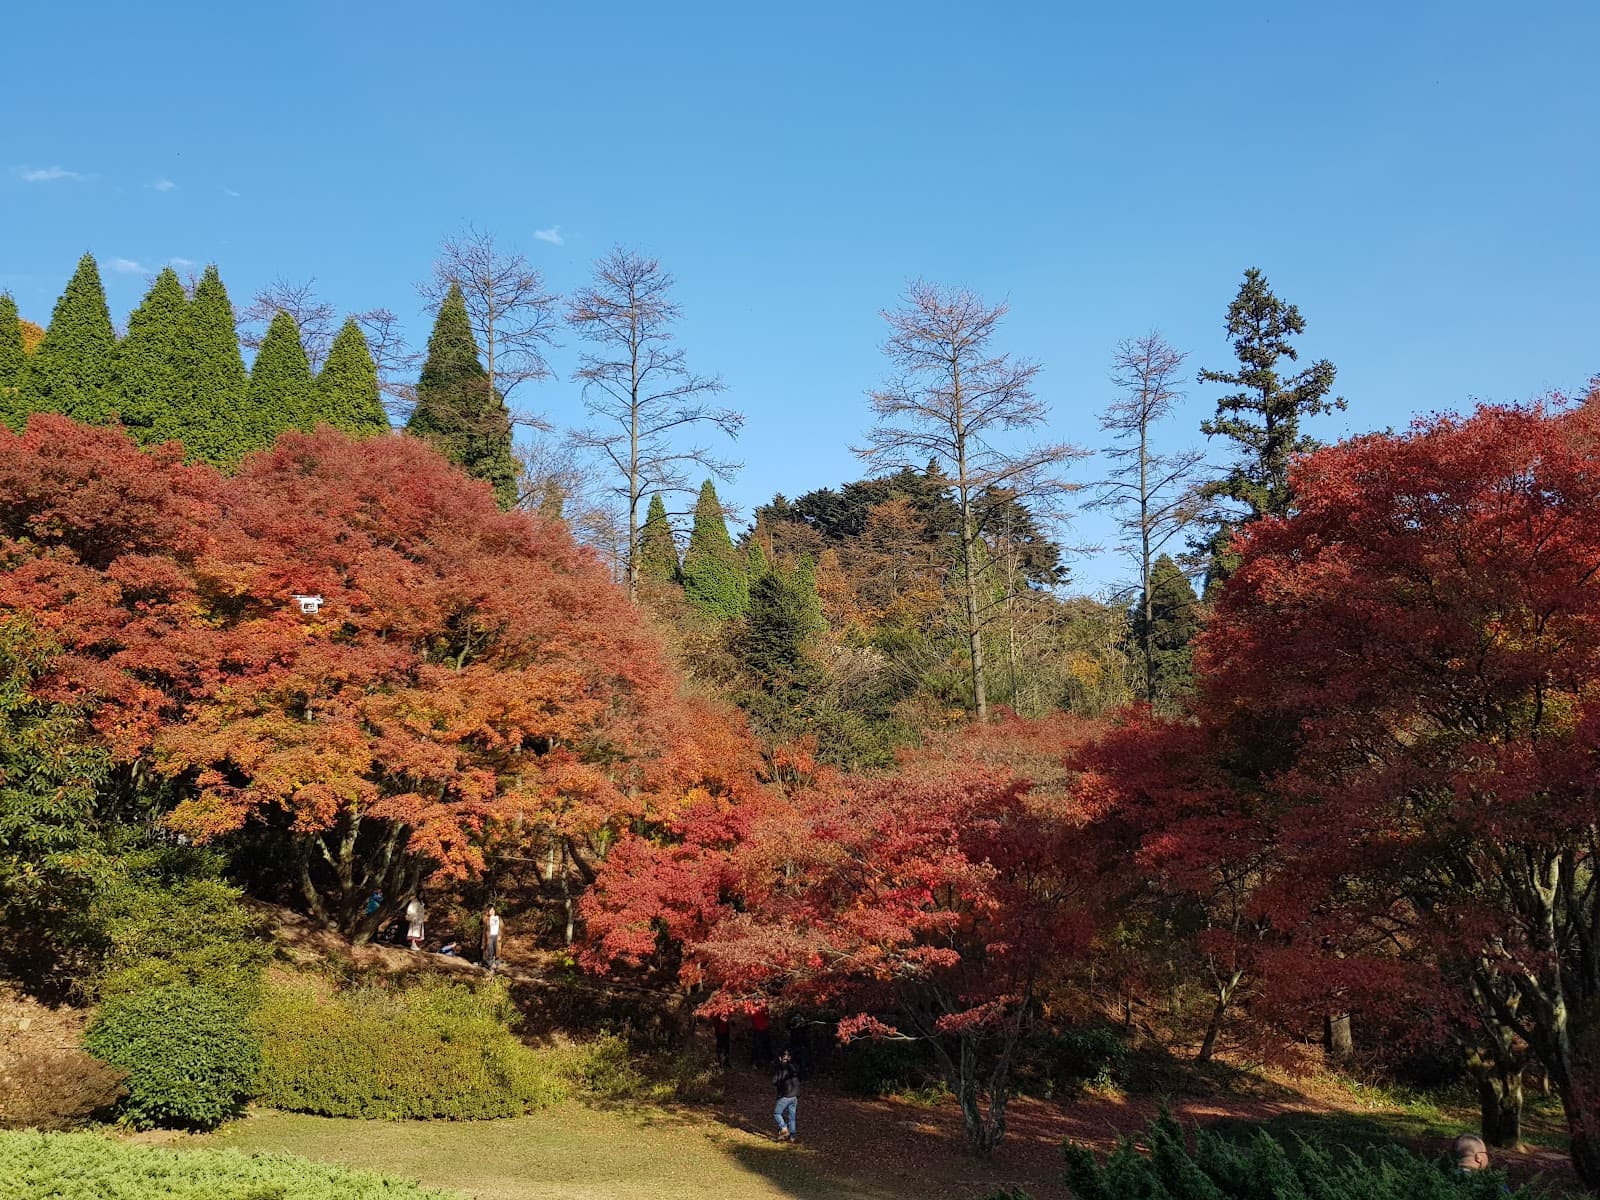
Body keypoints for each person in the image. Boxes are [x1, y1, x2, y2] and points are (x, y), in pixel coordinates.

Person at [771, 1050, 800, 1142]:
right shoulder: (794, 1067)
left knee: (777, 1113)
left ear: (780, 1058)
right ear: (790, 1058)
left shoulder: (780, 1068)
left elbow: (774, 1081)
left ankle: (783, 1128)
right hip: (795, 1095)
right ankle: (792, 1137)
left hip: (786, 1095)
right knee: (792, 1116)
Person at [787, 1013, 810, 1079]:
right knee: (793, 1061)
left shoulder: (802, 1027)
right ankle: (794, 1075)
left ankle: (801, 1076)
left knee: (802, 1062)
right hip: (794, 1045)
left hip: (801, 1045)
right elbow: (788, 1026)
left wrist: (804, 1024)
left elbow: (806, 1028)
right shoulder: (792, 1027)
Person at [483, 904, 501, 970]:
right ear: (488, 911)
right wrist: (487, 916)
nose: (492, 911)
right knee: (490, 950)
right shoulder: (486, 918)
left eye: (493, 910)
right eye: (490, 910)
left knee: (497, 951)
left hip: (497, 936)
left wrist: (500, 935)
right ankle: (490, 965)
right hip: (490, 936)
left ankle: (496, 965)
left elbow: (502, 927)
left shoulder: (498, 918)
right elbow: (484, 921)